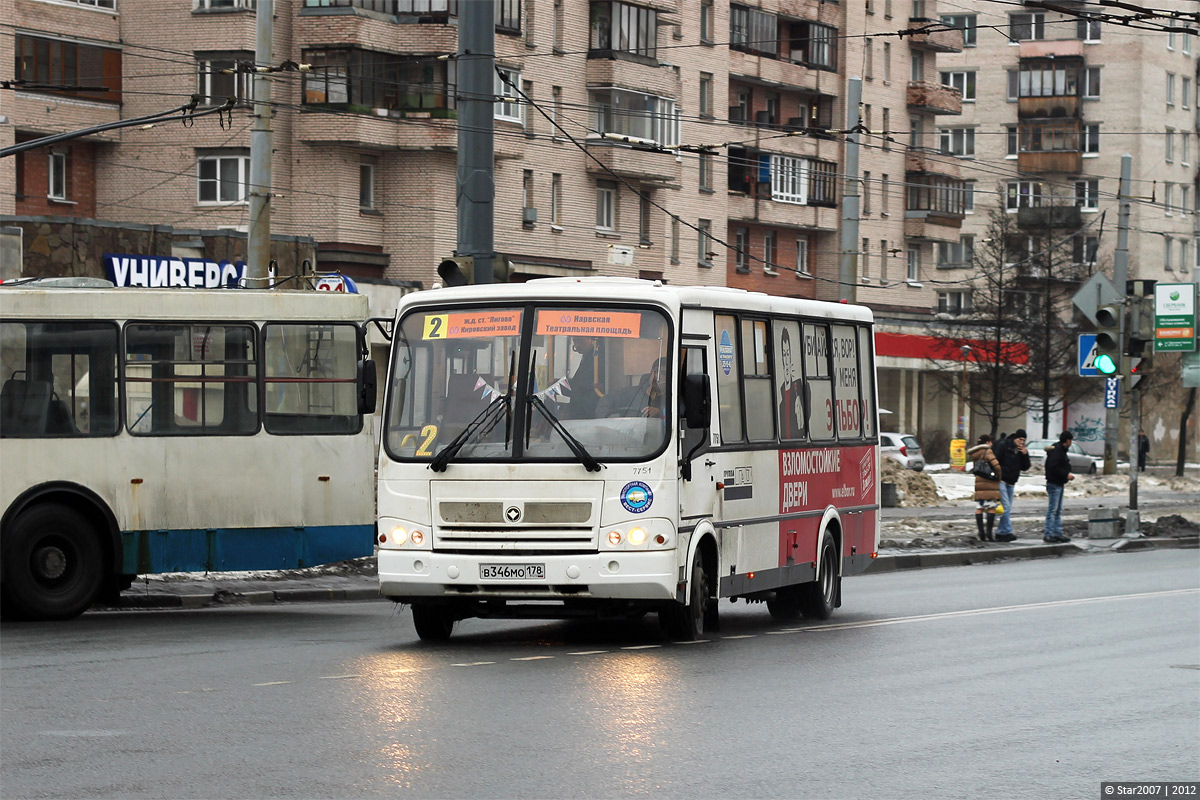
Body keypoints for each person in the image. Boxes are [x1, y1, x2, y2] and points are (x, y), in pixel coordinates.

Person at [992, 427, 1031, 542]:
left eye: (1024, 440)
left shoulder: (1020, 451)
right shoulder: (1005, 445)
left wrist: (1025, 454)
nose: (1021, 442)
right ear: (1015, 438)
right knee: (1006, 507)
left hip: (1011, 482)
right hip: (1001, 480)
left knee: (1006, 508)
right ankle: (1007, 531)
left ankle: (1000, 532)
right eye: (1020, 439)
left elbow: (1025, 467)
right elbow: (996, 460)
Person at [597, 357, 667, 418]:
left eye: (663, 373)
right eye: (656, 371)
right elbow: (607, 400)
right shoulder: (631, 393)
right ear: (651, 373)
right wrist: (605, 417)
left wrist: (659, 412)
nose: (658, 377)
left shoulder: (673, 400)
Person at [967, 434, 1002, 542]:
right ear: (987, 442)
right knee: (991, 508)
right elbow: (996, 466)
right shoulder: (988, 452)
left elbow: (976, 469)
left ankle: (981, 532)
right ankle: (989, 534)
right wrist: (998, 477)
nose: (992, 444)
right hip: (990, 484)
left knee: (979, 508)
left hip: (979, 484)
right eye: (991, 441)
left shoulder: (975, 454)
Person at [1043, 430, 1075, 543]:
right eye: (1071, 440)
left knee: (1057, 510)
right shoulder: (1057, 452)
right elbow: (1053, 467)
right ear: (1068, 440)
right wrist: (1066, 474)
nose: (1071, 442)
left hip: (1058, 483)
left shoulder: (1060, 450)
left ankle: (1057, 533)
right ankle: (1049, 533)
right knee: (1053, 510)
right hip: (1054, 483)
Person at [563, 337, 602, 419]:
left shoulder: (596, 357)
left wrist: (560, 386)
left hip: (588, 409)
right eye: (574, 341)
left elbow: (581, 384)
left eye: (580, 341)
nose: (576, 345)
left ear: (591, 340)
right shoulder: (589, 355)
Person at [777, 327, 804, 439]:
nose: (787, 360)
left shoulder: (800, 391)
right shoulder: (781, 403)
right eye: (784, 354)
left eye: (788, 354)